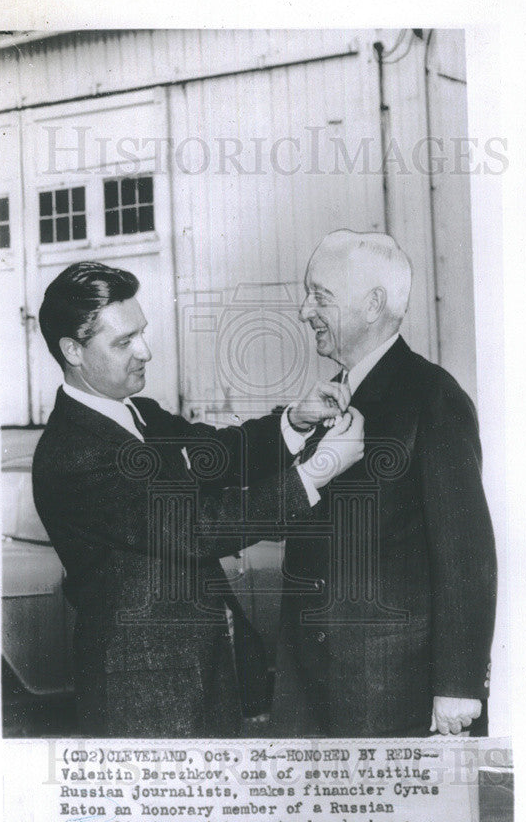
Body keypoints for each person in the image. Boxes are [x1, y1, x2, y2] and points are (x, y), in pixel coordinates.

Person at [31, 261, 363, 737]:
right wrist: (317, 470)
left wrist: (296, 420)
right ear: (73, 351)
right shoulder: (73, 453)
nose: (146, 351)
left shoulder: (139, 413)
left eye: (141, 333)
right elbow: (193, 528)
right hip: (144, 693)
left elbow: (217, 453)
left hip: (198, 670)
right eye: (124, 342)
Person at [270, 230, 497, 737]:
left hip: (393, 692)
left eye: (320, 295)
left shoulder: (433, 397)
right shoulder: (333, 399)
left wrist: (459, 684)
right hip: (315, 688)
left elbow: (466, 552)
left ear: (373, 305)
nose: (305, 310)